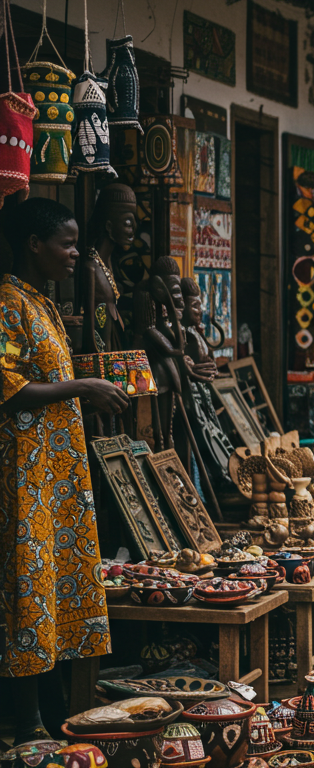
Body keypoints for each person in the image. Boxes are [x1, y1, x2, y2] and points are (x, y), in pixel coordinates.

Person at [0, 197, 130, 741]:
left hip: (54, 476)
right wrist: (82, 387)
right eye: (67, 244)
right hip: (24, 476)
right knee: (27, 588)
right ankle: (26, 723)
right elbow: (7, 386)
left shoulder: (41, 302)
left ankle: (52, 710)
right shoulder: (7, 302)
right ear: (35, 246)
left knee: (51, 586)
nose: (76, 253)